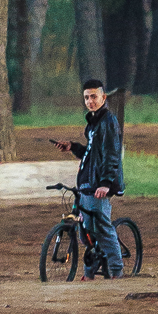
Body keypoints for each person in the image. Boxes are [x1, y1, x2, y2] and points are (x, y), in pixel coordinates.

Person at [49, 79, 126, 279]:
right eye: (86, 97)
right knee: (85, 230)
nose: (90, 101)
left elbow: (111, 155)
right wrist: (73, 147)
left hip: (100, 184)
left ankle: (117, 271)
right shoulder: (93, 123)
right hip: (87, 183)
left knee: (101, 227)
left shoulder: (108, 122)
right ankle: (90, 271)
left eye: (94, 96)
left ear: (103, 97)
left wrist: (106, 183)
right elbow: (92, 154)